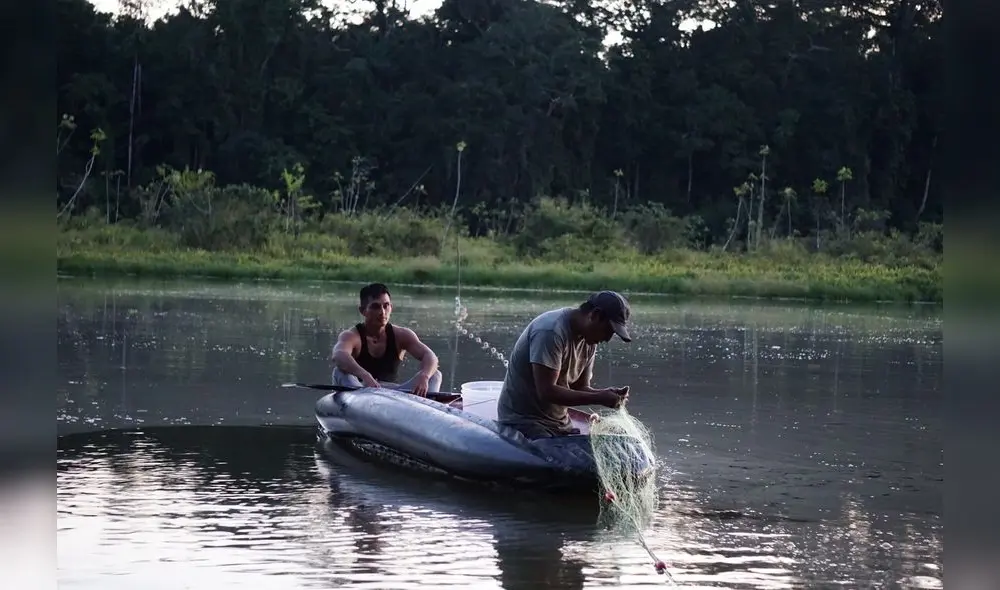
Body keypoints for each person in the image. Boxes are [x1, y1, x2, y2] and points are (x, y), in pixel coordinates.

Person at [497, 290, 633, 439]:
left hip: (559, 424)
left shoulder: (590, 339)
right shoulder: (550, 331)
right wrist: (599, 398)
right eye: (609, 330)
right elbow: (547, 391)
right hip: (523, 422)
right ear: (595, 315)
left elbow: (579, 387)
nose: (607, 338)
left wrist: (605, 393)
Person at [331, 283, 442, 397]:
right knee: (339, 371)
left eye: (386, 306)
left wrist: (424, 376)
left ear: (391, 308)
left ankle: (424, 404)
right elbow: (339, 355)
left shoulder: (402, 335)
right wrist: (365, 376)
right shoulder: (351, 336)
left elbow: (430, 355)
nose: (382, 312)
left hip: (393, 395)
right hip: (360, 390)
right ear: (363, 310)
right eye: (375, 307)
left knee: (434, 375)